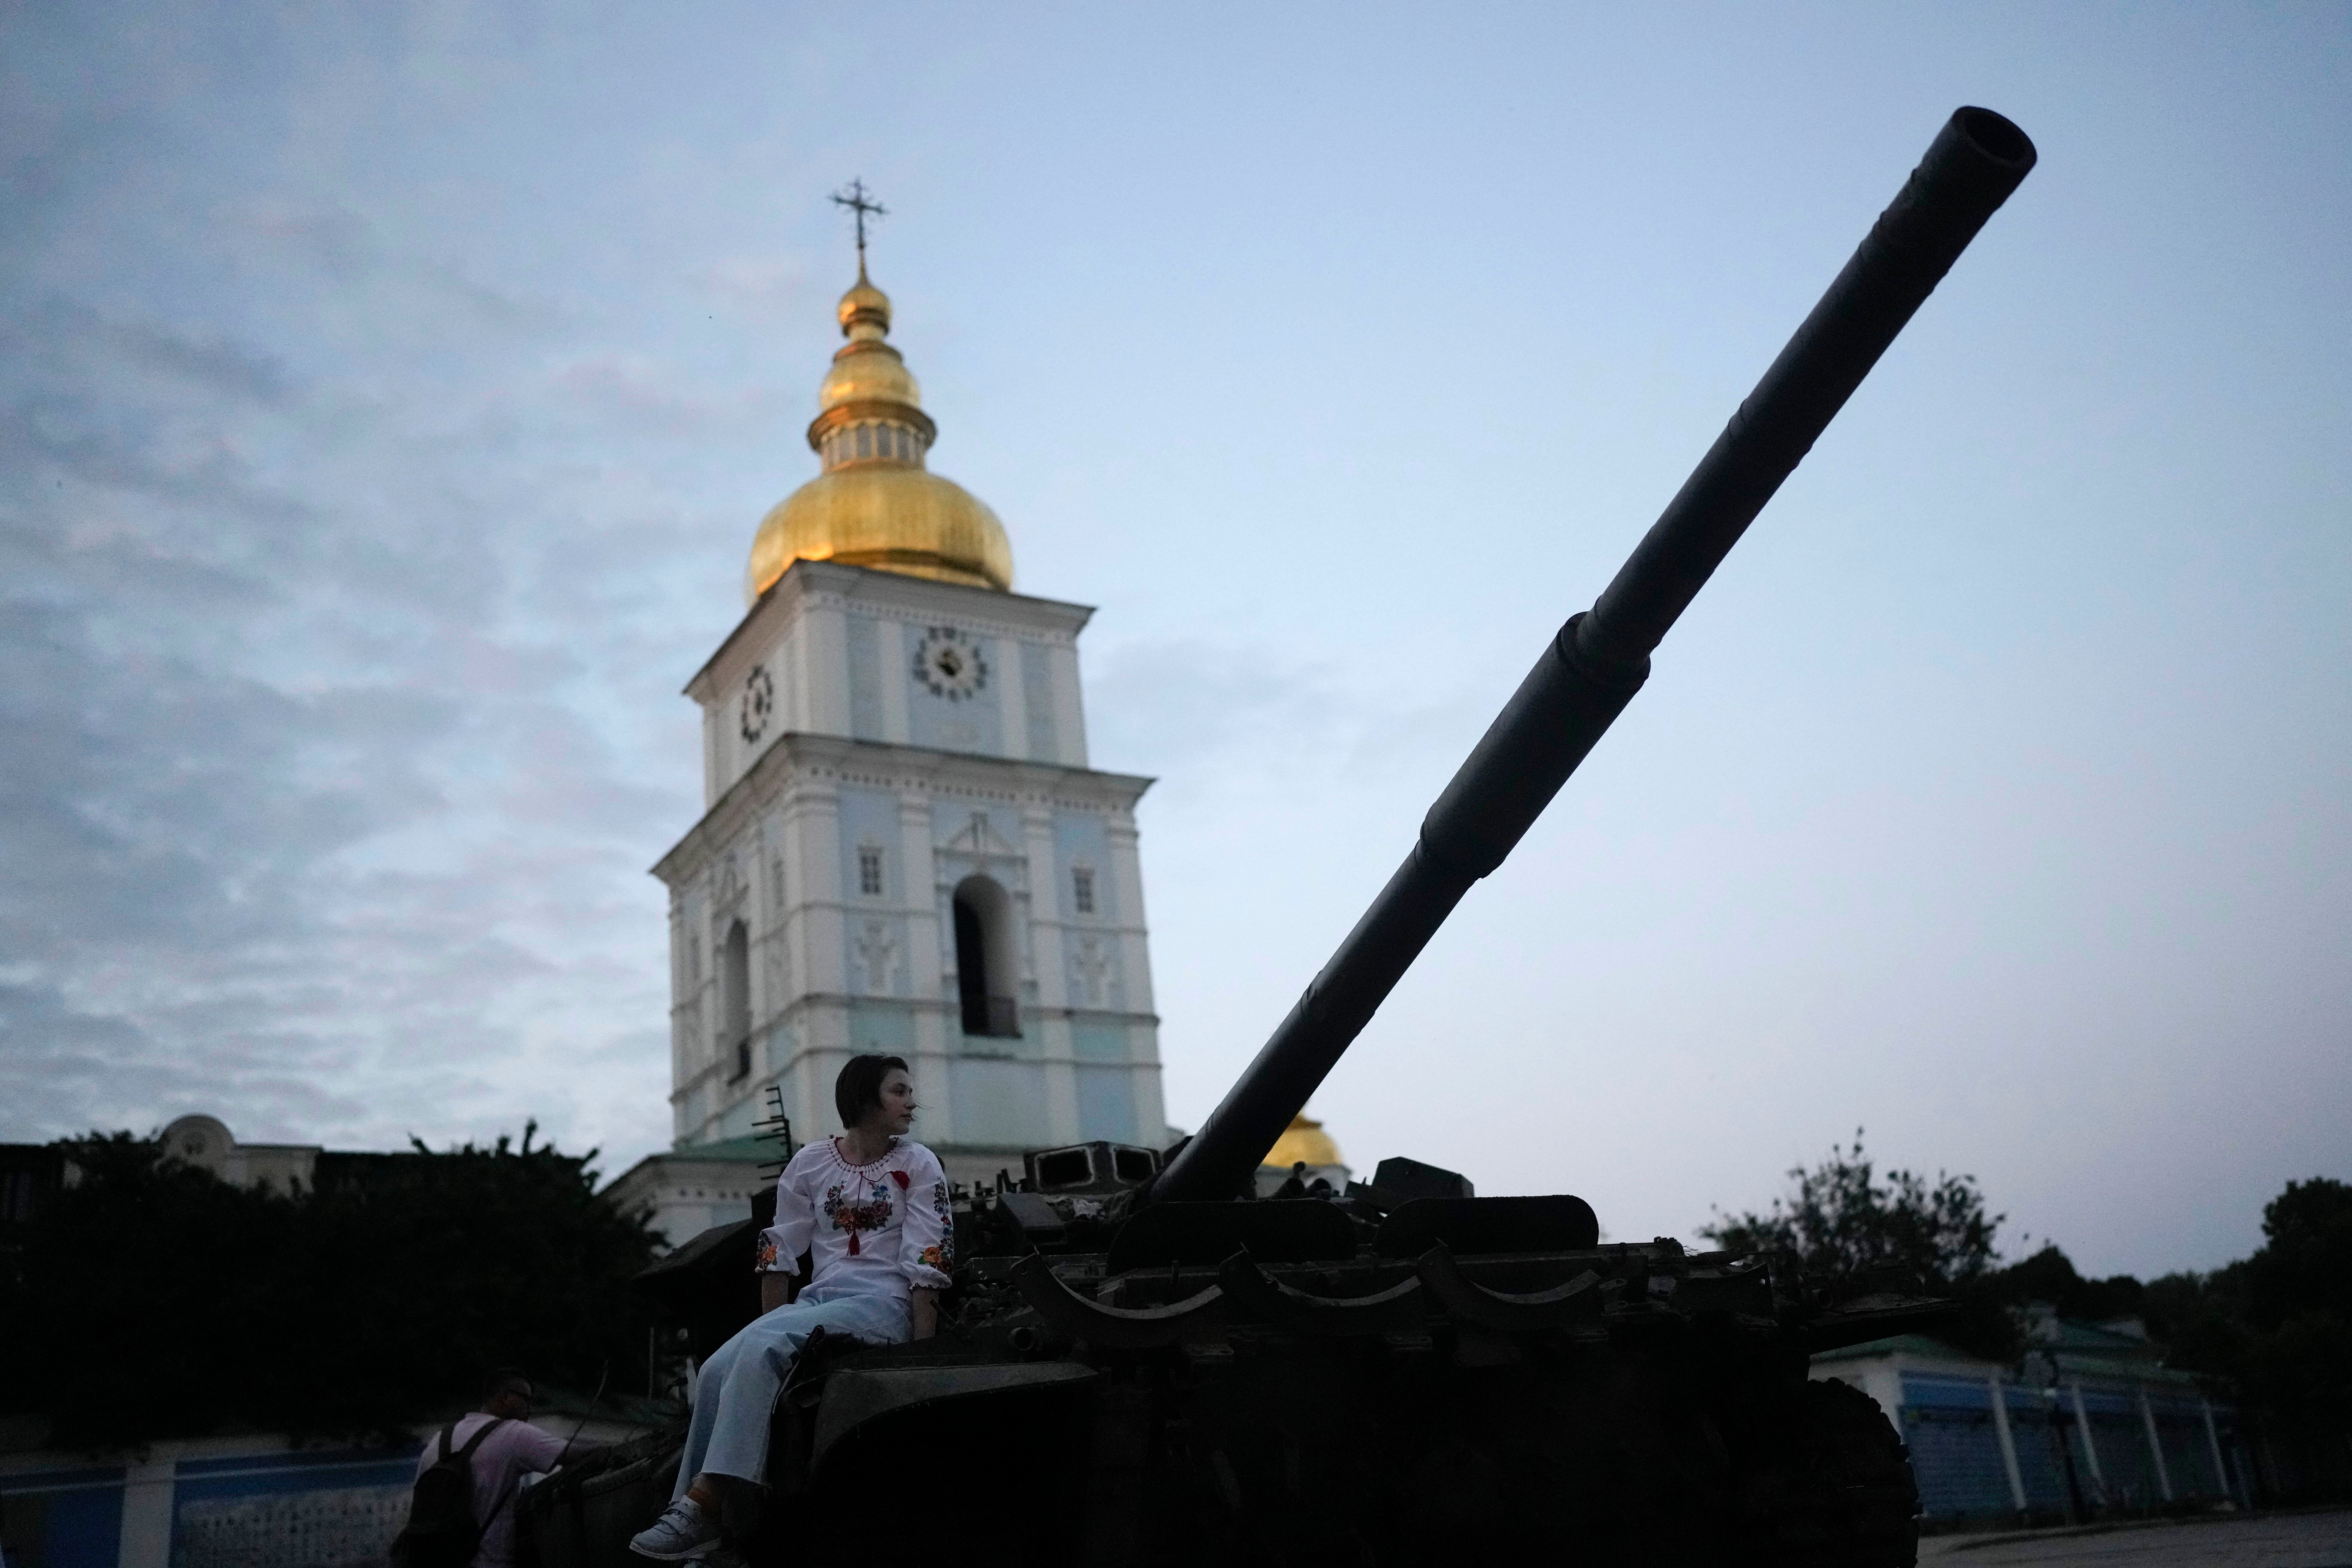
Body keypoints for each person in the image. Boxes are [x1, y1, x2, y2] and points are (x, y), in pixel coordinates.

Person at [630, 1054, 952, 1562]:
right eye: (899, 1091)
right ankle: (694, 1518)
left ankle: (707, 1503)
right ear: (866, 1098)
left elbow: (928, 1257)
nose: (912, 1102)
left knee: (762, 1347)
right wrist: (771, 1322)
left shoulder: (918, 1164)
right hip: (821, 1302)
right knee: (717, 1366)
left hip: (885, 1304)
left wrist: (924, 1352)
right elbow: (777, 1249)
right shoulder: (811, 1164)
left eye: (909, 1091)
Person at [413, 1368, 578, 1568]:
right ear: (506, 1397)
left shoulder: (438, 1441)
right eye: (526, 1399)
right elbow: (576, 1455)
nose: (530, 1408)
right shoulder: (513, 1433)